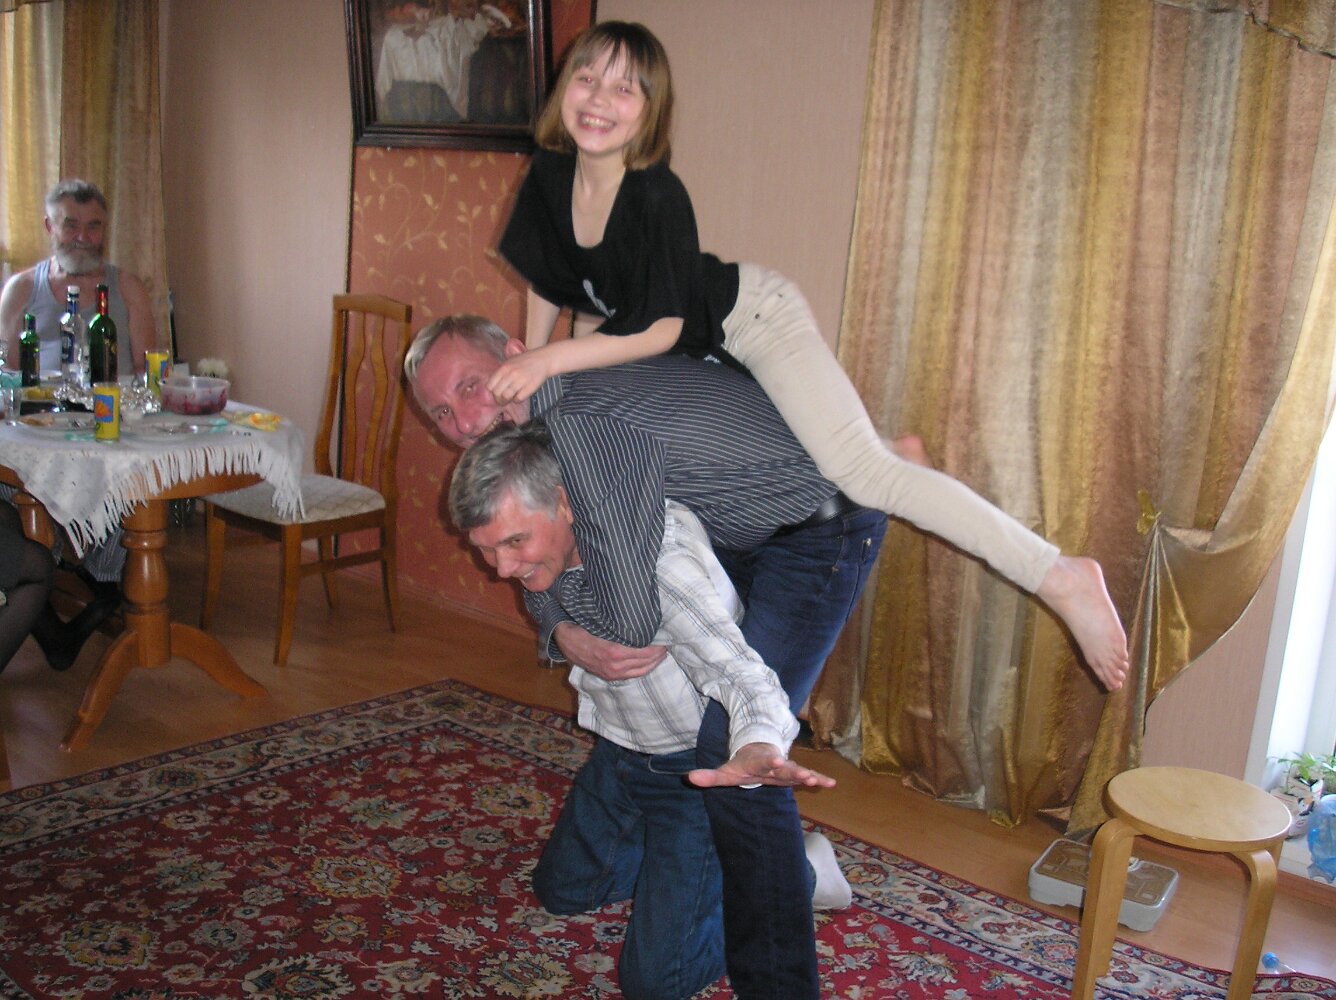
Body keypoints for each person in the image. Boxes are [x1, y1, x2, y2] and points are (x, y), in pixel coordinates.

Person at [487, 21, 1129, 688]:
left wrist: (546, 364)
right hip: (693, 353)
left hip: (752, 322)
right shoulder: (551, 174)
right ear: (564, 88)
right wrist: (534, 365)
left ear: (650, 112)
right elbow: (552, 282)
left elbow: (660, 330)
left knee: (865, 477)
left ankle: (1058, 574)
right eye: (588, 78)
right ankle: (887, 447)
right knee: (650, 421)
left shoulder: (655, 193)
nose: (599, 99)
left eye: (625, 89)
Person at [408, 313, 889, 998]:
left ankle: (793, 900)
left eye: (469, 388)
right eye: (440, 412)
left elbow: (732, 669)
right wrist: (560, 628)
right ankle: (680, 848)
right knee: (563, 891)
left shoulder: (601, 456)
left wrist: (758, 738)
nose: (462, 423)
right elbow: (539, 557)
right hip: (631, 743)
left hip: (821, 525)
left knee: (727, 758)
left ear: (517, 357)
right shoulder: (538, 462)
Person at [0, 179, 153, 377]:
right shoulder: (21, 289)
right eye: (71, 226)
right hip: (41, 397)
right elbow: (7, 371)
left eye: (93, 227)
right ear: (49, 226)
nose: (82, 237)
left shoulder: (129, 288)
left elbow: (147, 369)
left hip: (113, 396)